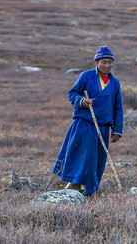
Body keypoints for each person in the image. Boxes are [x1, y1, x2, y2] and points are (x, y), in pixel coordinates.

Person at [52, 45, 123, 196]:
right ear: (97, 62)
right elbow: (72, 94)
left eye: (110, 62)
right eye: (104, 62)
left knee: (97, 159)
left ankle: (87, 188)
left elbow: (118, 107)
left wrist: (117, 130)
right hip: (84, 124)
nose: (107, 65)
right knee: (84, 155)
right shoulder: (86, 76)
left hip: (102, 127)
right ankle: (77, 185)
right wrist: (82, 101)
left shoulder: (115, 82)